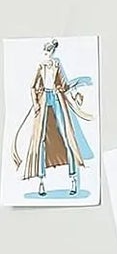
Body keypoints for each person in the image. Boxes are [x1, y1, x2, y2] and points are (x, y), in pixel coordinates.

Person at [14, 39, 92, 198]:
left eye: (48, 52)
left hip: (56, 99)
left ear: (53, 53)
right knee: (40, 140)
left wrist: (79, 86)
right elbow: (32, 87)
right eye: (44, 52)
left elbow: (64, 85)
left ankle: (73, 179)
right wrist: (35, 103)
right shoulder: (40, 66)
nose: (46, 55)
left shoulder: (57, 65)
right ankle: (41, 181)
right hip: (44, 102)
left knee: (66, 137)